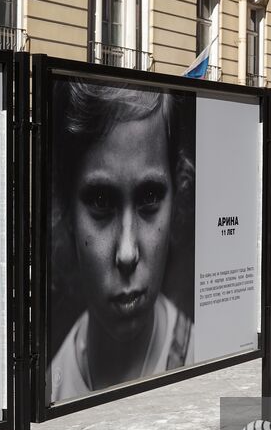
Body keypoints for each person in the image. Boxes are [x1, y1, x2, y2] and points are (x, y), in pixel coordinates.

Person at [50, 81, 195, 399]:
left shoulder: (201, 360)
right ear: (68, 209)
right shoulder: (51, 387)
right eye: (101, 201)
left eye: (150, 197)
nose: (127, 253)